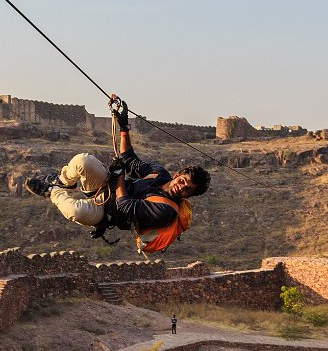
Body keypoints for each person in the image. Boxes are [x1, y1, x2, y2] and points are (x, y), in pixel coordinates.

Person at [26, 95, 210, 252]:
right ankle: (63, 181)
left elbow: (124, 205)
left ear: (189, 196)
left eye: (188, 189)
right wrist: (124, 128)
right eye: (184, 181)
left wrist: (120, 175)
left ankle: (51, 191)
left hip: (107, 212)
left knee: (76, 210)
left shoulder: (167, 210)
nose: (182, 187)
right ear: (178, 174)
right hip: (108, 186)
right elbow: (130, 159)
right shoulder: (159, 174)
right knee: (83, 160)